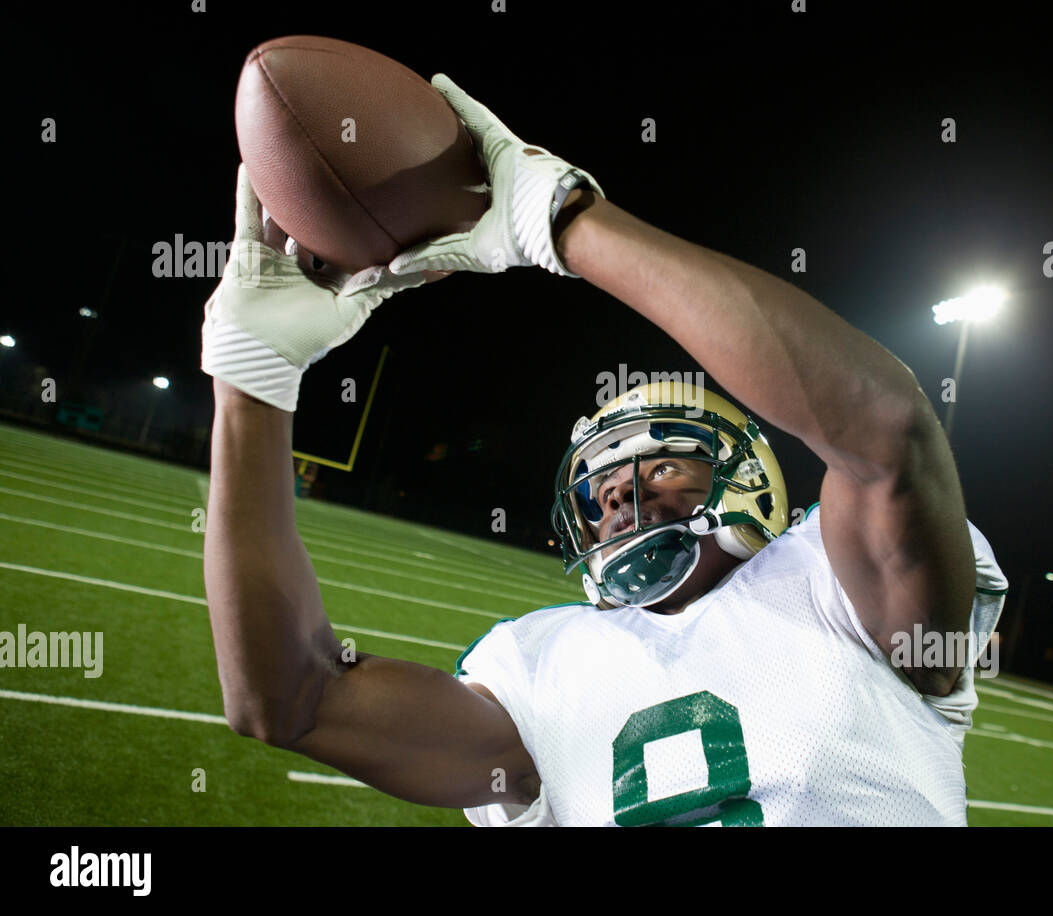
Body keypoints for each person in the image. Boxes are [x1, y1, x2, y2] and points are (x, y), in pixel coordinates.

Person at [200, 75, 1008, 827]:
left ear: (747, 477)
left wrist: (561, 221)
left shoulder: (835, 584)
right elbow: (290, 701)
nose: (619, 493)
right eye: (597, 487)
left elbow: (887, 429)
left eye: (660, 463)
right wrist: (251, 377)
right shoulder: (539, 669)